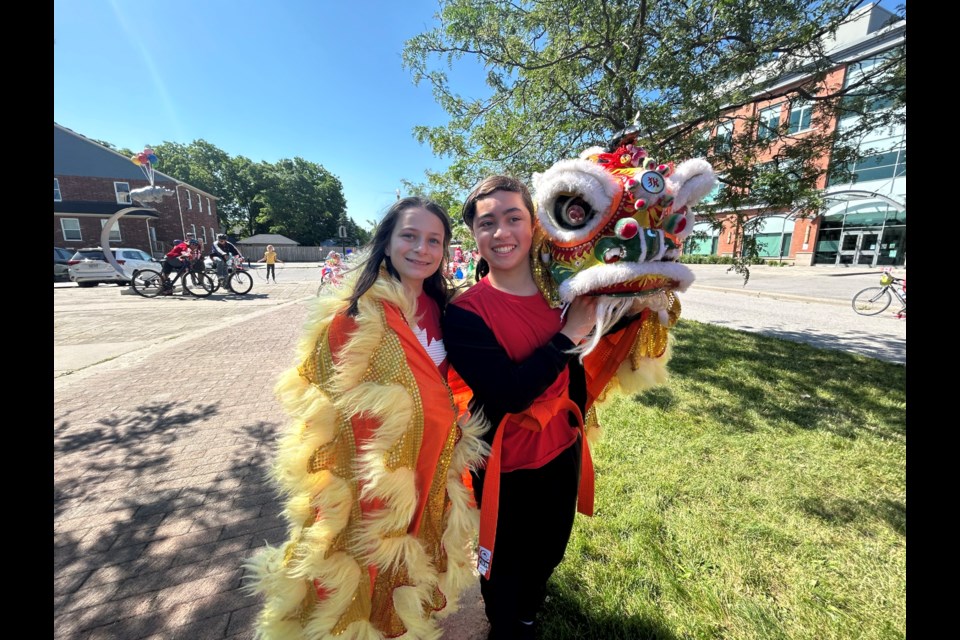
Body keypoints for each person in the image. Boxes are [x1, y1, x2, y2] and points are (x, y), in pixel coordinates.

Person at [244, 197, 488, 639]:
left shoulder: (445, 309)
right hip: (370, 481)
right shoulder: (355, 315)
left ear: (446, 249)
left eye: (434, 240)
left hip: (431, 467)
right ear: (387, 242)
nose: (422, 248)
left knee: (412, 568)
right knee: (364, 572)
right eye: (409, 236)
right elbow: (326, 413)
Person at [443, 175, 628, 640]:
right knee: (505, 570)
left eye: (513, 218)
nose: (501, 232)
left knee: (549, 550)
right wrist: (567, 336)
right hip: (507, 467)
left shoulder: (564, 294)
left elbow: (579, 368)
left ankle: (527, 614)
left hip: (562, 450)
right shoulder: (465, 313)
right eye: (488, 223)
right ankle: (506, 627)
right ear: (475, 237)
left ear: (534, 225)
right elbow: (509, 394)